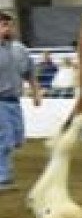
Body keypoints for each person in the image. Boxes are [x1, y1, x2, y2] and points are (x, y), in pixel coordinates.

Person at [0, 12, 42, 191]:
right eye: (3, 25)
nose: (7, 28)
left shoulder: (20, 49)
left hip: (14, 102)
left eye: (9, 25)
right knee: (5, 139)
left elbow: (30, 73)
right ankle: (3, 178)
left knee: (17, 139)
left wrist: (36, 93)